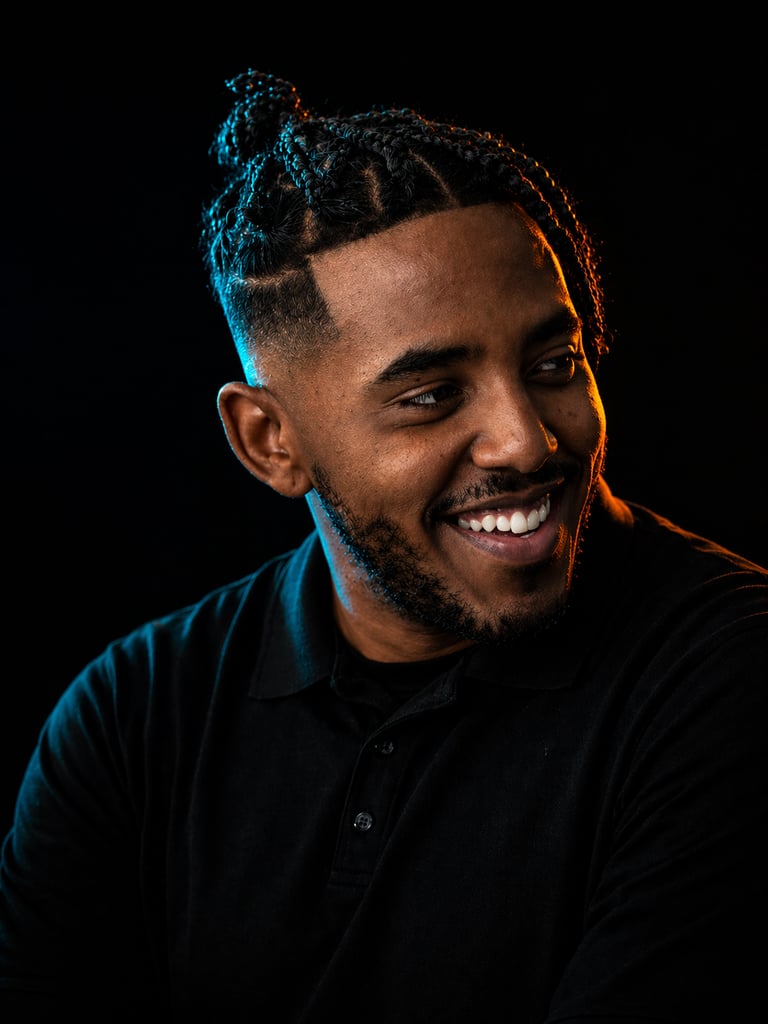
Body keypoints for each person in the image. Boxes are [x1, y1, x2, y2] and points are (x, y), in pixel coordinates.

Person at [1, 69, 766, 1023]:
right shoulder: (132, 717)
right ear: (269, 443)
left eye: (554, 364)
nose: (527, 442)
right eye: (431, 396)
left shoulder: (726, 671)